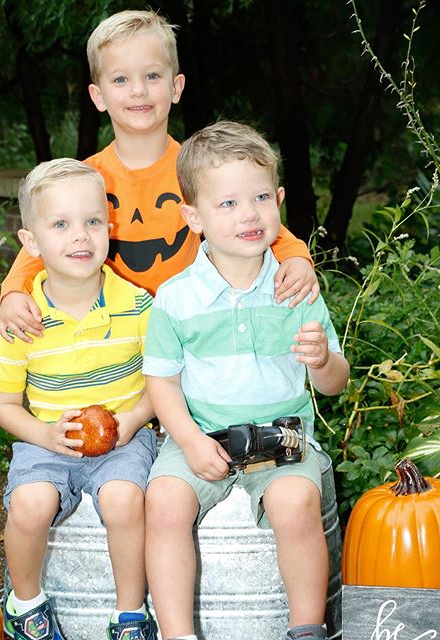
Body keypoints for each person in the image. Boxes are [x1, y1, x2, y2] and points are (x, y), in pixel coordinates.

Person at [142, 121, 350, 640]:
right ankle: (177, 634)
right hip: (202, 431)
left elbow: (334, 384)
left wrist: (322, 359)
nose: (249, 214)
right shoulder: (175, 299)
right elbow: (162, 385)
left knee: (296, 502)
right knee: (165, 501)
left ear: (279, 199)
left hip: (281, 431)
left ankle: (306, 628)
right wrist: (188, 441)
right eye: (228, 203)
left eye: (260, 197)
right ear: (194, 216)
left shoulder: (294, 288)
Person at [0, 9, 319, 345]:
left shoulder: (200, 170)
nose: (138, 90)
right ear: (98, 96)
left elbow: (253, 217)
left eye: (152, 76)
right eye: (120, 79)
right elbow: (43, 238)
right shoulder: (86, 179)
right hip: (112, 338)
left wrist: (296, 258)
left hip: (190, 334)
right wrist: (13, 292)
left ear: (176, 87)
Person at [0, 158, 158, 640]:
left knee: (125, 499)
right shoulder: (23, 320)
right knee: (30, 503)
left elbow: (164, 382)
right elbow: (4, 405)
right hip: (46, 439)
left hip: (125, 437)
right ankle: (25, 604)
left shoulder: (137, 305)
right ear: (32, 242)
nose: (80, 236)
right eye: (60, 224)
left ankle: (130, 613)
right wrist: (42, 434)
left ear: (110, 227)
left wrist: (133, 419)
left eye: (91, 221)